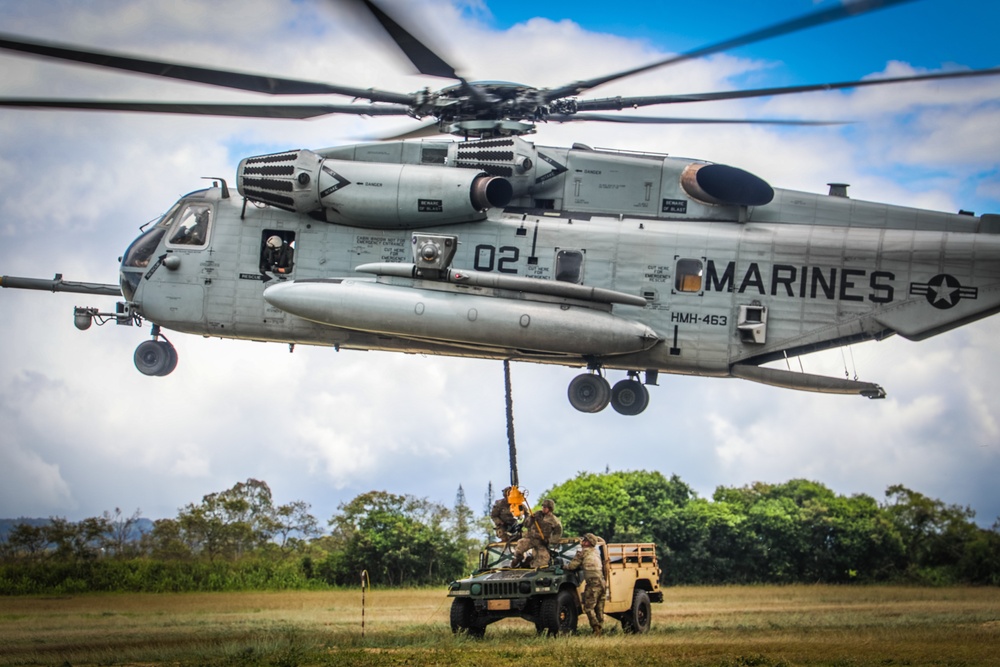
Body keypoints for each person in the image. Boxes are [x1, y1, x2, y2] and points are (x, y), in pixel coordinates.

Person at [564, 533, 606, 636]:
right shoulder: (596, 552)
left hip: (592, 583)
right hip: (602, 582)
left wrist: (563, 566)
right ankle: (600, 628)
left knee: (588, 608)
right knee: (599, 608)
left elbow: (572, 566)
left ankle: (596, 629)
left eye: (584, 540)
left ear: (587, 542)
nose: (582, 542)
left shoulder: (583, 552)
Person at [511, 498, 562, 569]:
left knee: (543, 560)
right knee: (520, 547)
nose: (543, 509)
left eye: (545, 507)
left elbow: (557, 533)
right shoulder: (536, 514)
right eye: (543, 507)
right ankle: (517, 561)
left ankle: (528, 564)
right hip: (530, 538)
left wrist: (549, 541)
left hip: (541, 542)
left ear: (550, 509)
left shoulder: (554, 520)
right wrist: (531, 519)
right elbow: (526, 524)